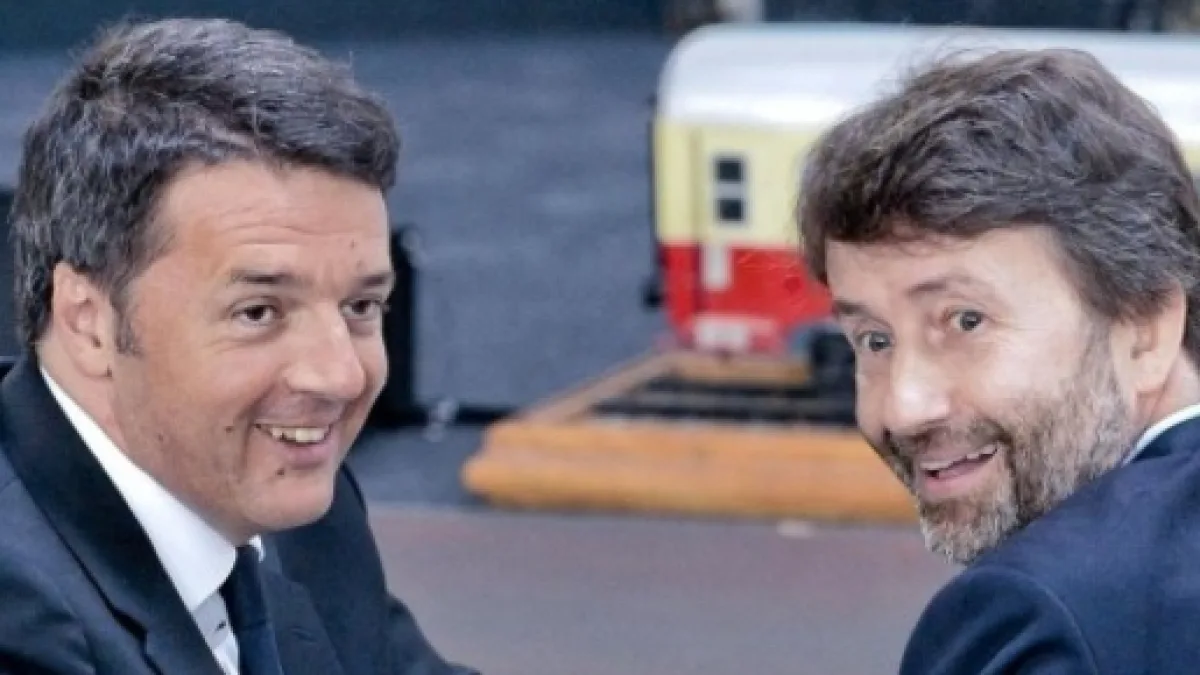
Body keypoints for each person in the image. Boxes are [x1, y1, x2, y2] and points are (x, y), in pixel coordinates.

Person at [0, 17, 478, 675]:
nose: (340, 375)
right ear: (89, 321)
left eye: (361, 307)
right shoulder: (18, 616)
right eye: (259, 312)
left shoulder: (295, 502)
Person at [798, 47, 1200, 673]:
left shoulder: (1039, 612)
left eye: (966, 321)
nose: (903, 408)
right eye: (873, 340)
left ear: (1145, 328)